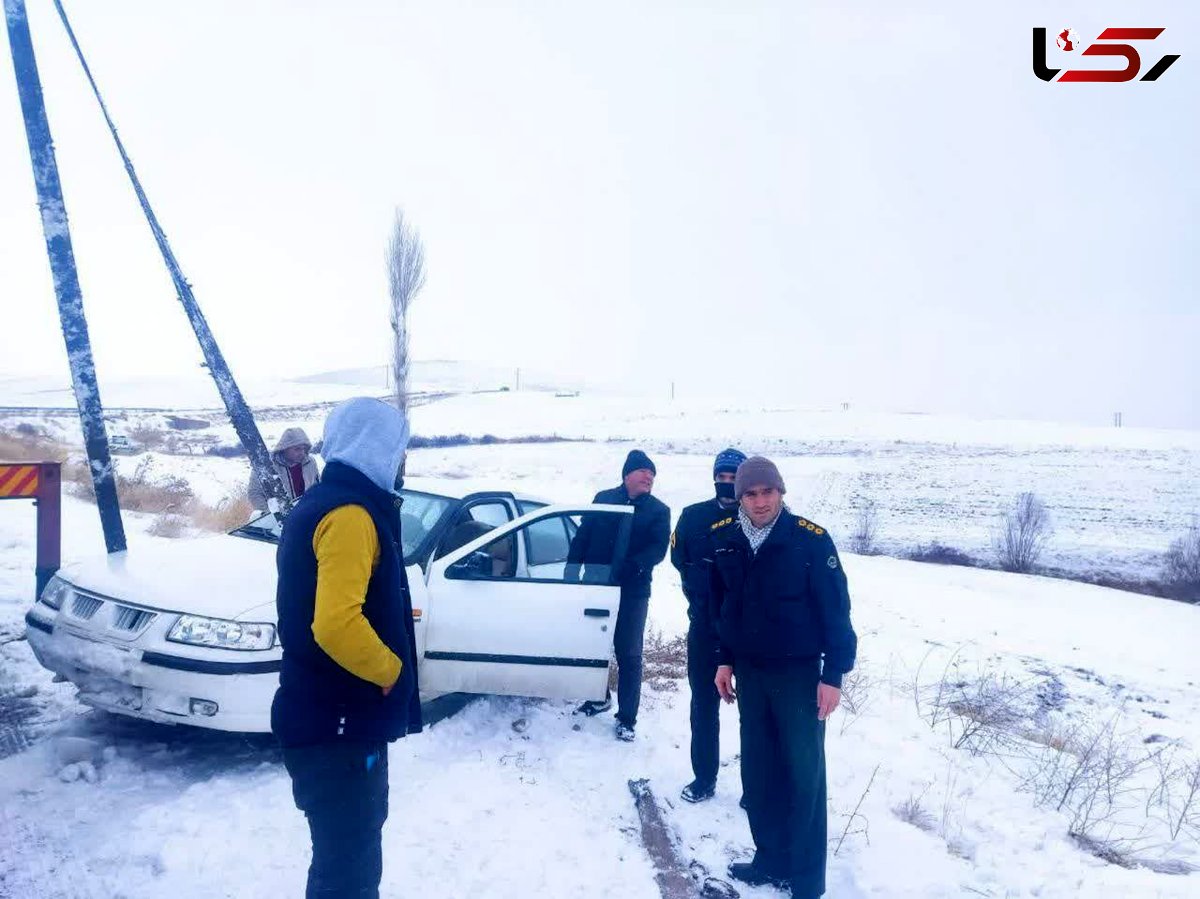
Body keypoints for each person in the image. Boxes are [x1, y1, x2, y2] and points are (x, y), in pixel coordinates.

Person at [271, 397, 422, 899]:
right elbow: (335, 624)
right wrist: (391, 671)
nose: (404, 460)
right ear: (379, 447)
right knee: (348, 872)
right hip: (337, 729)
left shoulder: (324, 502)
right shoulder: (352, 515)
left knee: (342, 861)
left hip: (327, 720)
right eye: (400, 447)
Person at [710, 456, 857, 899]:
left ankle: (807, 883)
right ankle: (769, 858)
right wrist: (724, 658)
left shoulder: (810, 541)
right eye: (751, 494)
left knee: (804, 776)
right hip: (751, 675)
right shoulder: (727, 540)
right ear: (740, 497)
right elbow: (724, 608)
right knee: (759, 772)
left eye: (768, 492)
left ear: (781, 492)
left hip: (798, 677)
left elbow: (836, 611)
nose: (760, 501)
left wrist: (834, 674)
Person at [568, 449, 670, 741]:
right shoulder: (603, 499)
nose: (649, 477)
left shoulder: (658, 511)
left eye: (653, 475)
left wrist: (633, 567)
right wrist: (571, 571)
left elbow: (657, 549)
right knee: (593, 646)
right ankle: (598, 697)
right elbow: (583, 536)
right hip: (596, 586)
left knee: (629, 653)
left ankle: (627, 718)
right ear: (627, 475)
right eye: (643, 472)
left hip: (633, 591)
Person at [669, 447, 746, 803]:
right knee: (703, 705)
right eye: (721, 477)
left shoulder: (758, 518)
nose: (726, 484)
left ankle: (756, 787)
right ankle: (704, 778)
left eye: (733, 478)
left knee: (756, 713)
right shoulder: (692, 517)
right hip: (704, 628)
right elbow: (678, 560)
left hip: (749, 634)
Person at [248, 427, 320, 509]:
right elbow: (254, 493)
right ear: (285, 448)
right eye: (297, 449)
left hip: (308, 512)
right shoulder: (267, 465)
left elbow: (317, 486)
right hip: (282, 517)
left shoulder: (310, 462)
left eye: (304, 449)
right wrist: (272, 514)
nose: (302, 453)